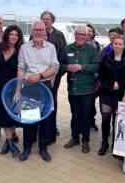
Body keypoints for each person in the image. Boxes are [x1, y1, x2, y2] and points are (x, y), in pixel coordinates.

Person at [17, 20, 59, 162]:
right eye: (36, 30)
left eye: (41, 30)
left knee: (45, 118)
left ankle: (43, 148)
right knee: (29, 117)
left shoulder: (51, 48)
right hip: (29, 87)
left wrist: (40, 75)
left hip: (45, 86)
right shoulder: (24, 48)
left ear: (45, 31)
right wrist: (18, 90)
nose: (38, 32)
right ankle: (27, 147)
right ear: (32, 31)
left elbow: (55, 67)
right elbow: (21, 68)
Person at [61, 25, 99, 153]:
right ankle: (75, 138)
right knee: (75, 114)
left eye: (83, 34)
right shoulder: (67, 48)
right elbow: (60, 65)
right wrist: (67, 68)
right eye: (78, 34)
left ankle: (85, 141)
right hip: (73, 88)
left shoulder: (92, 50)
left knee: (86, 115)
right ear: (75, 34)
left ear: (87, 36)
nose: (80, 36)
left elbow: (97, 67)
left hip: (87, 89)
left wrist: (82, 67)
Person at [96, 35, 125, 155]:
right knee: (105, 119)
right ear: (112, 45)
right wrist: (111, 84)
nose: (117, 46)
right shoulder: (105, 58)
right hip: (106, 93)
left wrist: (120, 84)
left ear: (124, 46)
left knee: (117, 121)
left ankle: (116, 145)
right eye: (115, 43)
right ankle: (104, 143)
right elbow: (100, 76)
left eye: (120, 44)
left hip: (121, 95)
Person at [0, 25, 24, 157]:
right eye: (12, 34)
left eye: (16, 35)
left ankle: (9, 142)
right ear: (7, 35)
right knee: (3, 113)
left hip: (13, 87)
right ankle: (10, 142)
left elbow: (22, 70)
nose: (14, 37)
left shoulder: (21, 51)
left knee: (12, 113)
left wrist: (18, 89)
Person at [40, 11, 67, 139]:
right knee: (36, 101)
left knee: (51, 102)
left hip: (53, 76)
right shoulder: (36, 33)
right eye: (43, 19)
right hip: (38, 76)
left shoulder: (59, 35)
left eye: (48, 19)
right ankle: (37, 127)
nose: (45, 21)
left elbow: (63, 57)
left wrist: (56, 74)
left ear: (52, 21)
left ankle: (51, 128)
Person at [86, 23, 101, 131]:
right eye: (86, 31)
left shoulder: (96, 44)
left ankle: (91, 121)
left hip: (94, 78)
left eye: (90, 31)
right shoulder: (77, 44)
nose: (88, 33)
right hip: (82, 79)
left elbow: (99, 60)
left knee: (91, 102)